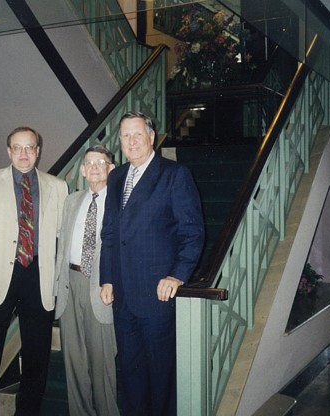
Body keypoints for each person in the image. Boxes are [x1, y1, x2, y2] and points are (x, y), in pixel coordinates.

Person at [99, 111, 205, 416]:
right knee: (131, 377)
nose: (131, 141)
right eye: (125, 135)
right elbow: (110, 232)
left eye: (137, 134)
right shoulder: (116, 177)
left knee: (161, 376)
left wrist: (177, 275)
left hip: (157, 295)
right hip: (122, 295)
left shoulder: (174, 175)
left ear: (151, 137)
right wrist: (107, 278)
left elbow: (193, 233)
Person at [0, 126, 68, 415]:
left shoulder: (57, 187)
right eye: (17, 148)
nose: (23, 153)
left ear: (38, 151)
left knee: (37, 356)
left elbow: (63, 235)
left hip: (38, 277)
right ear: (8, 151)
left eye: (29, 147)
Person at [54, 144, 120, 416]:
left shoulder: (120, 201)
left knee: (102, 362)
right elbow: (62, 246)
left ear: (111, 168)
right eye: (89, 162)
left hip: (102, 285)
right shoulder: (72, 201)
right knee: (74, 361)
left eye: (100, 162)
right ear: (82, 170)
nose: (94, 167)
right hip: (69, 283)